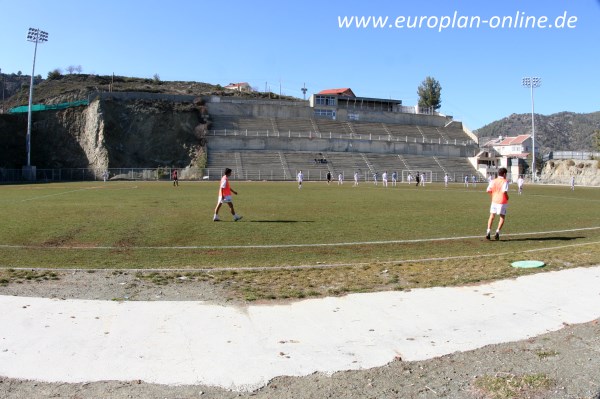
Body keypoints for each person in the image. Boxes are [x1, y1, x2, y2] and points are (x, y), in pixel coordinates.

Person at [485, 167, 509, 240]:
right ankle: (497, 232)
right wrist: (507, 197)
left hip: (494, 201)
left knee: (492, 216)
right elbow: (504, 191)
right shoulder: (505, 181)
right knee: (502, 217)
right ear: (504, 174)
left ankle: (488, 231)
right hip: (502, 201)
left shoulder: (493, 181)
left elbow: (488, 190)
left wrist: (493, 195)